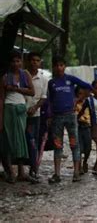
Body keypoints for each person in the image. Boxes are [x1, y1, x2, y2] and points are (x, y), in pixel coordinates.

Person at [48, 56, 92, 183]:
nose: (59, 68)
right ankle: (57, 174)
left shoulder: (70, 79)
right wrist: (50, 116)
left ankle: (76, 173)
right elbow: (50, 101)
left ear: (65, 66)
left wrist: (79, 99)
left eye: (61, 65)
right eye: (57, 65)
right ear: (54, 67)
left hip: (71, 116)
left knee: (74, 144)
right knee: (57, 145)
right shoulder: (52, 83)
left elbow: (87, 86)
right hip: (57, 117)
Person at [1, 51, 34, 183]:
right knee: (8, 141)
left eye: (18, 61)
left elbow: (32, 92)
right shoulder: (4, 77)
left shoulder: (25, 75)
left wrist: (16, 89)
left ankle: (21, 171)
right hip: (8, 109)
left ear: (21, 62)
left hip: (21, 109)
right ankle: (10, 172)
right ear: (10, 63)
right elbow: (2, 98)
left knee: (20, 140)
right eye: (13, 61)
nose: (16, 64)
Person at [24, 52, 48, 183]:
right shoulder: (22, 76)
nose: (34, 62)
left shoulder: (43, 79)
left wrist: (35, 108)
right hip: (21, 113)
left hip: (35, 115)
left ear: (40, 62)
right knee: (22, 141)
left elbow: (43, 97)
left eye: (37, 60)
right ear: (28, 61)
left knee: (34, 143)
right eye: (32, 60)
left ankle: (34, 169)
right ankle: (22, 170)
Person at [74, 87, 92, 175]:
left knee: (88, 147)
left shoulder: (88, 103)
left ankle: (85, 161)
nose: (81, 96)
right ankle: (80, 166)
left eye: (82, 94)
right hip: (78, 126)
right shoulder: (74, 103)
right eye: (79, 94)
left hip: (87, 126)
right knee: (79, 148)